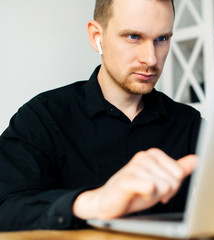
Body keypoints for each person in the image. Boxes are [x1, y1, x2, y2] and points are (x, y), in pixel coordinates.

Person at [0, 0, 202, 231]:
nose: (151, 59)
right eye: (133, 37)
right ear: (97, 36)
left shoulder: (189, 123)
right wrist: (94, 202)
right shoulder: (42, 118)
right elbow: (5, 207)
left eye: (162, 39)